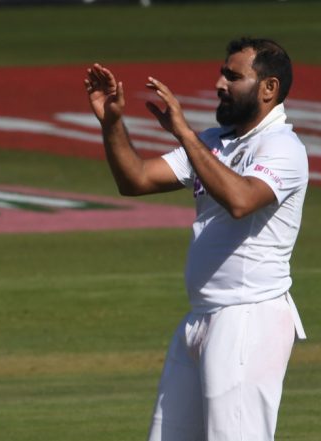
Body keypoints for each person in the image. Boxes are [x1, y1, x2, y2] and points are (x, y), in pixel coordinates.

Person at [85, 37, 307, 440]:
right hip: (201, 317)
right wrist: (113, 122)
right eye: (222, 73)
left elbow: (241, 200)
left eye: (233, 76)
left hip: (248, 317)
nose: (220, 83)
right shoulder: (215, 142)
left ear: (269, 88)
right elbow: (135, 179)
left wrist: (184, 132)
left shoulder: (283, 147)